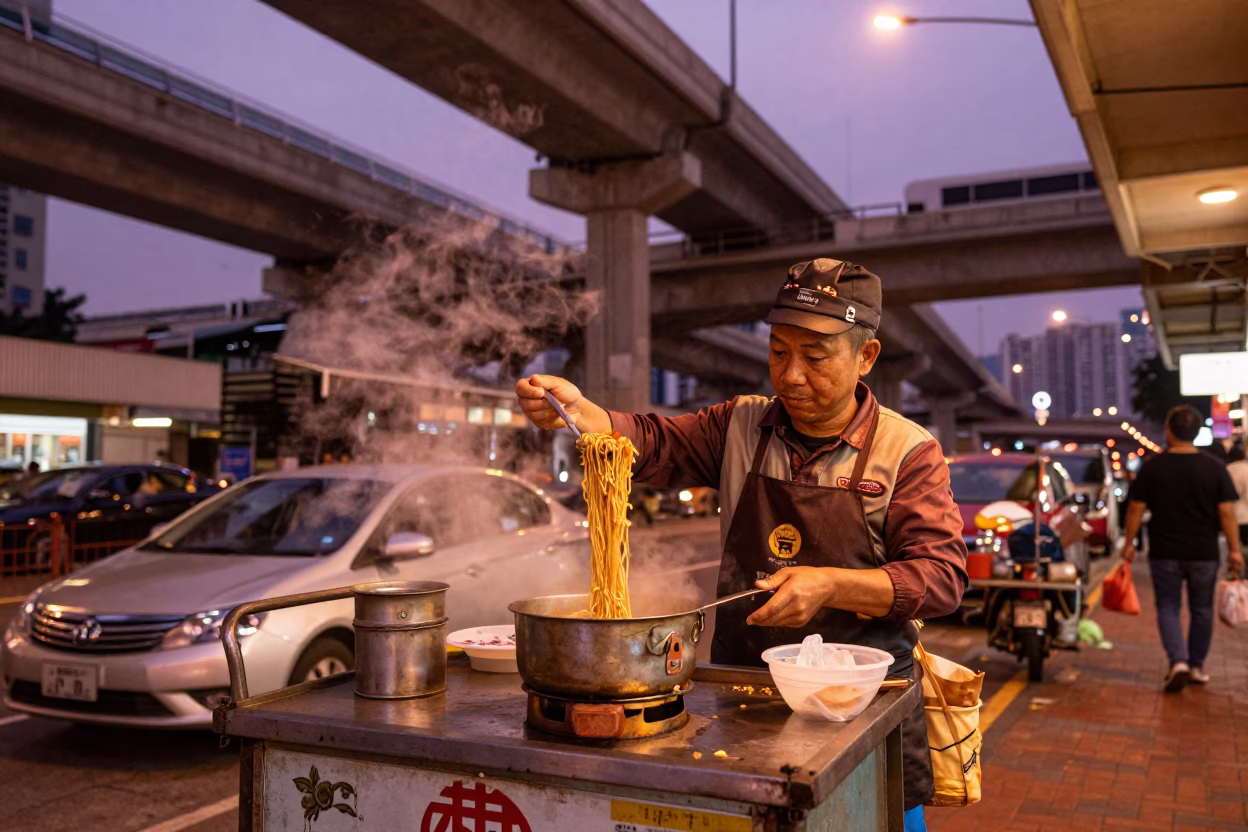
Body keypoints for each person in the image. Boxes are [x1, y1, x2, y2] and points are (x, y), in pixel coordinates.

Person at [517, 258, 968, 829]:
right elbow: (651, 443)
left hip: (860, 705)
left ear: (866, 357)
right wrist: (584, 414)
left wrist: (831, 585)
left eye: (815, 357)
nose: (792, 376)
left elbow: (942, 577)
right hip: (745, 694)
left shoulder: (907, 451)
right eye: (779, 353)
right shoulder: (739, 426)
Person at [1123, 405, 1244, 692]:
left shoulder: (1153, 467)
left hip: (1164, 550)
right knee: (1202, 609)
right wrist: (1235, 550)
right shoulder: (1214, 467)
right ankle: (1196, 666)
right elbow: (1226, 512)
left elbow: (1135, 509)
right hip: (1204, 551)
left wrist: (1128, 543)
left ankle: (1177, 661)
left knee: (1168, 606)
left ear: (1169, 430)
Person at [1228, 443, 1248, 554]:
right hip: (1246, 517)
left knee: (1233, 550)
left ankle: (1235, 570)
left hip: (1230, 517)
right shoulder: (1246, 470)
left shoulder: (1226, 470)